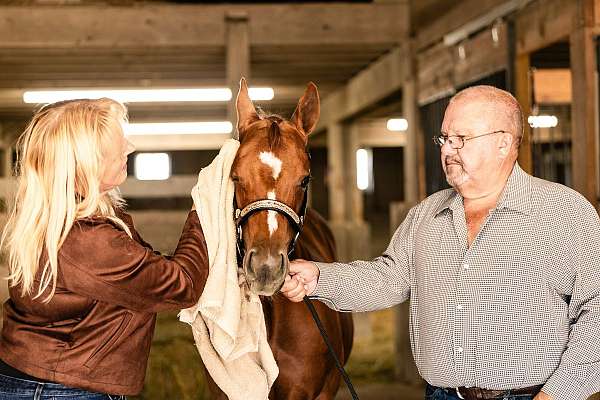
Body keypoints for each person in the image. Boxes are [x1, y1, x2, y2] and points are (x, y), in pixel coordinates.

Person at [281, 86, 600, 400]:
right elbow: (386, 280)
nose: (447, 150)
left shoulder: (564, 213)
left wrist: (558, 393)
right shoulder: (426, 214)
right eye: (444, 138)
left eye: (461, 139)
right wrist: (320, 278)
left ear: (503, 143)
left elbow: (596, 310)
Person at [0, 98, 209, 399]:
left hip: (44, 379)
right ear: (87, 161)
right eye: (118, 144)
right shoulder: (87, 239)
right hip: (64, 390)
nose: (130, 148)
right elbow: (183, 285)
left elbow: (144, 269)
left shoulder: (62, 218)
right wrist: (204, 208)